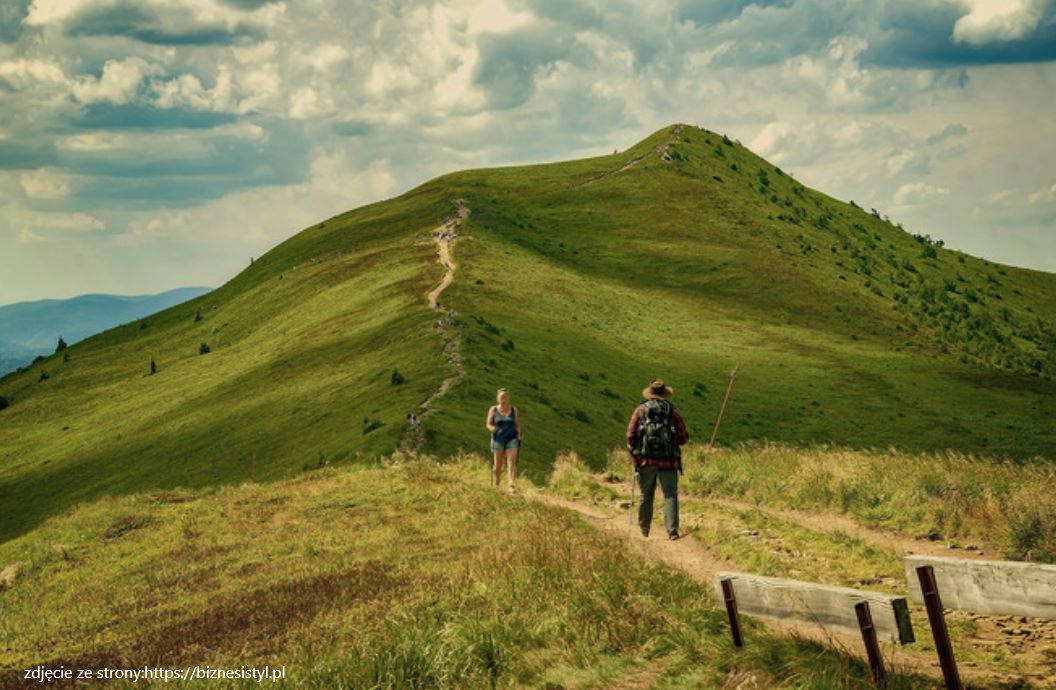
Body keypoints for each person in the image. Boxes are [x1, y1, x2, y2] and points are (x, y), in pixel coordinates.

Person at [626, 378, 689, 540]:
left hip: (646, 460)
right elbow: (683, 438)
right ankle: (672, 531)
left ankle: (644, 528)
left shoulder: (640, 410)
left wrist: (635, 456)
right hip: (668, 460)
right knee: (670, 495)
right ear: (665, 394)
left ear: (650, 393)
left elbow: (630, 436)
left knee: (646, 494)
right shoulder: (672, 412)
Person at [486, 388, 522, 491]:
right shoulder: (493, 409)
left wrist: (518, 434)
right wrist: (492, 428)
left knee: (511, 462)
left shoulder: (514, 410)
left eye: (505, 397)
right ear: (498, 398)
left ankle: (511, 484)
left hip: (511, 438)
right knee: (498, 465)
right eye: (502, 397)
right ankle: (496, 482)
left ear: (508, 398)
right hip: (498, 439)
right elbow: (488, 424)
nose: (504, 399)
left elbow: (516, 425)